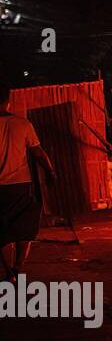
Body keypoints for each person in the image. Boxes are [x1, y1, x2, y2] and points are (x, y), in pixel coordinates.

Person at [0, 85, 56, 282]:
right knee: (25, 227)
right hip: (21, 185)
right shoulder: (22, 124)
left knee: (2, 233)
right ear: (8, 101)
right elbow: (38, 152)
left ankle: (9, 273)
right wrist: (50, 171)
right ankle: (18, 267)